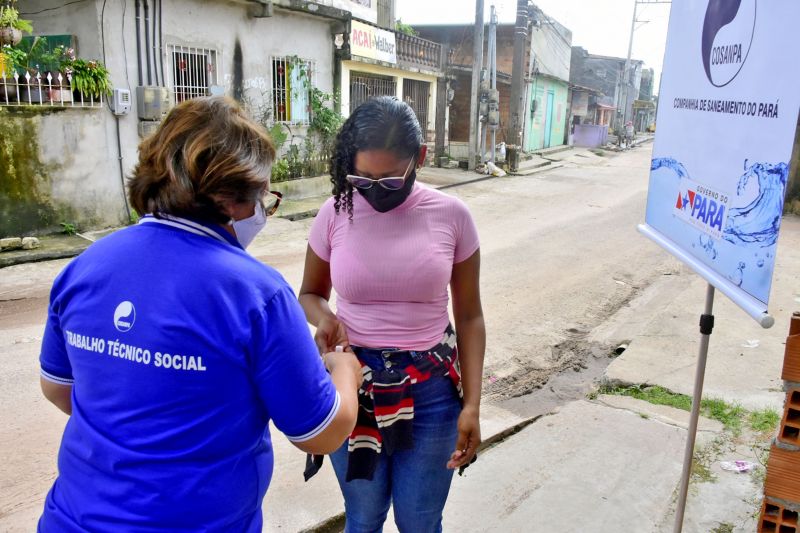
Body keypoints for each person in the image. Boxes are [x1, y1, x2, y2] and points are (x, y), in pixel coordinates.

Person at [37, 96, 362, 532]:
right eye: (263, 196)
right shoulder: (256, 295)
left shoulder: (84, 268)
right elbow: (320, 432)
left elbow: (60, 389)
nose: (263, 210)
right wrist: (344, 371)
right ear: (232, 198)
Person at [299, 96, 486, 533]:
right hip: (353, 389)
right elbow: (309, 293)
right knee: (363, 519)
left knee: (419, 521)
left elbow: (471, 316)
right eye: (362, 179)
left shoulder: (453, 216)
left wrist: (473, 404)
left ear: (419, 159)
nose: (373, 192)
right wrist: (325, 318)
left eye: (388, 180)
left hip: (432, 394)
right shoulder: (335, 212)